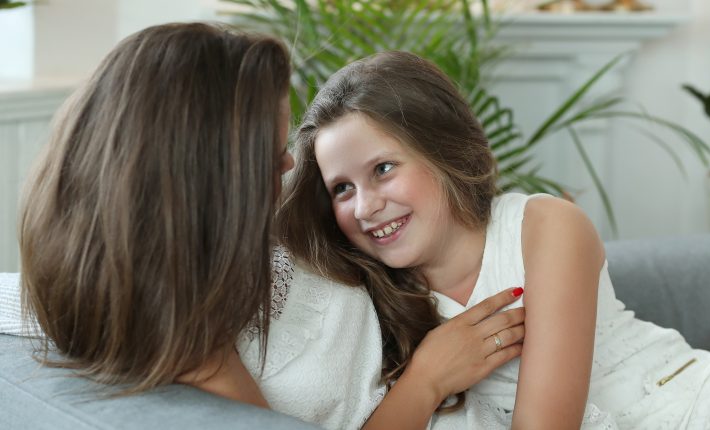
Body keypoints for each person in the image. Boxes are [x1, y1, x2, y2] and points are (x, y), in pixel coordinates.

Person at [0, 23, 528, 430]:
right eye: (271, 153)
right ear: (208, 180)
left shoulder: (224, 243)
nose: (289, 166)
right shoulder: (191, 334)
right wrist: (428, 379)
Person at [277, 50, 710, 429]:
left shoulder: (545, 227)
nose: (364, 206)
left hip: (692, 402)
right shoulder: (362, 297)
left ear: (442, 151)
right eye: (342, 189)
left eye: (383, 169)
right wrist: (424, 378)